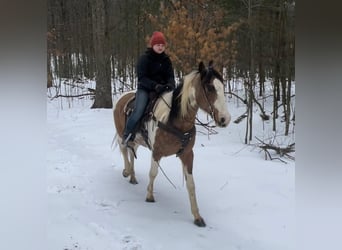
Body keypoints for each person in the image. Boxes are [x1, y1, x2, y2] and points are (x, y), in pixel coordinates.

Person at [122, 31, 176, 145]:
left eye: (162, 45)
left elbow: (170, 75)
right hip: (146, 89)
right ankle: (128, 133)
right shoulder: (145, 59)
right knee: (139, 110)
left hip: (163, 89)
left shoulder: (166, 60)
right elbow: (142, 78)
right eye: (158, 45)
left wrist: (170, 84)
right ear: (153, 45)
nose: (160, 47)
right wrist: (154, 86)